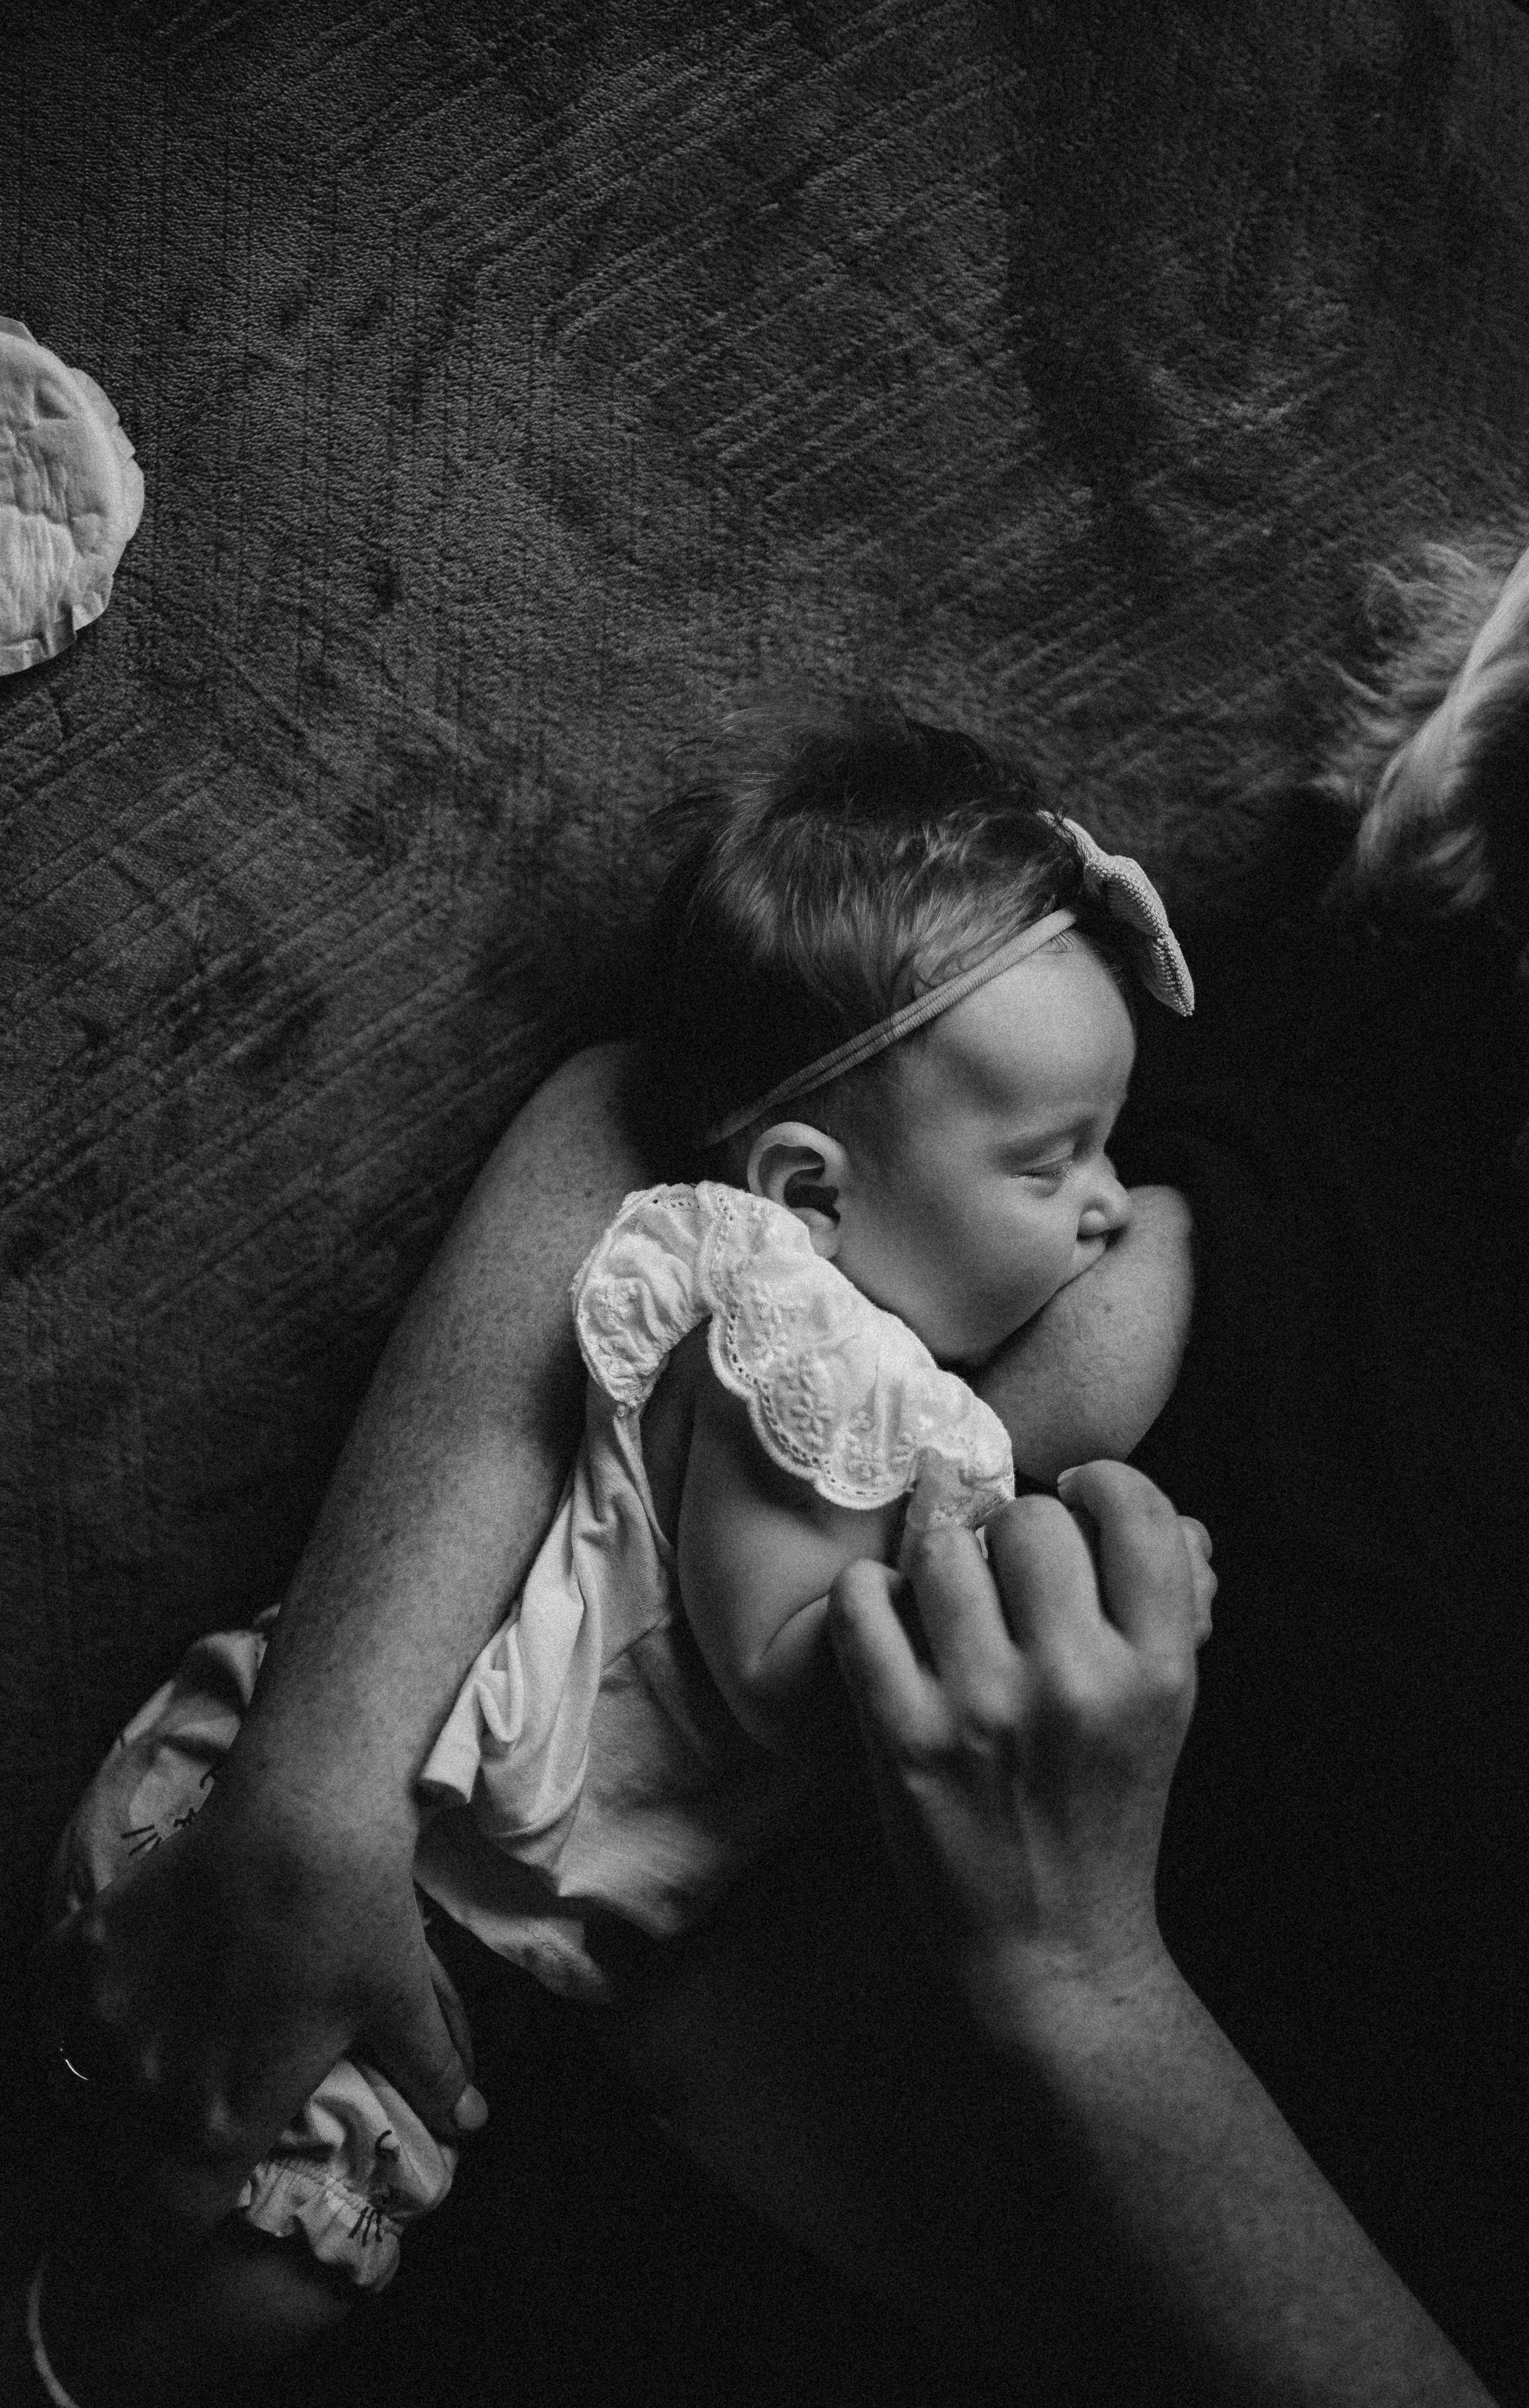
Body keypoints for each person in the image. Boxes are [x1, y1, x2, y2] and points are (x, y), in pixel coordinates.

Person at [28, 710, 1206, 2398]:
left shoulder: (831, 1345)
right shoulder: (804, 1374)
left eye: (1110, 1149)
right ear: (811, 1192)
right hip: (356, 1876)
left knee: (205, 2236)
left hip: (400, 1883)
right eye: (1053, 1163)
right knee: (248, 2292)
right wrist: (1010, 1606)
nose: (1106, 1206)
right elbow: (779, 1669)